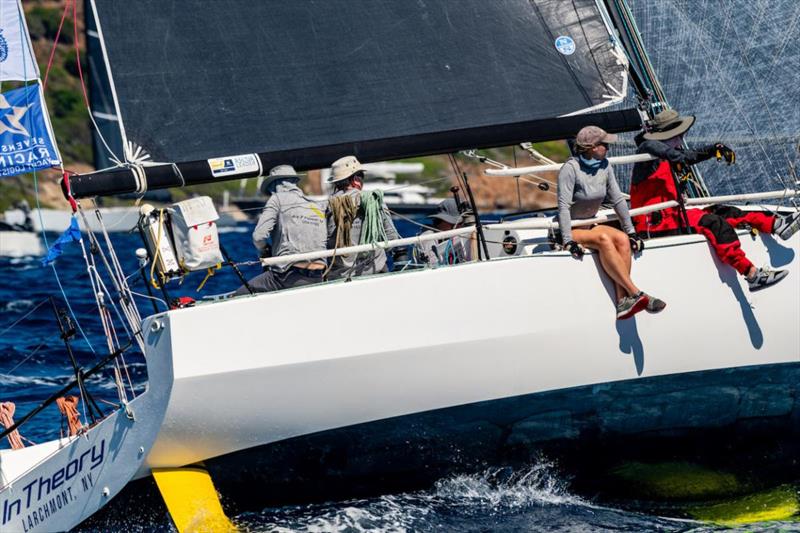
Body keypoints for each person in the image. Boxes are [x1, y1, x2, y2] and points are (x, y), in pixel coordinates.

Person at [630, 109, 800, 291]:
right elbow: (670, 153)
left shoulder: (668, 151)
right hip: (654, 224)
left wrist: (714, 149)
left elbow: (687, 155)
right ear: (662, 136)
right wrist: (682, 157)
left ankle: (775, 225)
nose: (680, 141)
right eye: (676, 136)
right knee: (713, 223)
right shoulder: (647, 150)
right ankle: (751, 274)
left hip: (674, 215)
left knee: (724, 211)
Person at [558, 125, 666, 320]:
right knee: (604, 239)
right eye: (604, 145)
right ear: (591, 147)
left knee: (623, 240)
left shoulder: (605, 165)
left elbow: (617, 199)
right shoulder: (570, 168)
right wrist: (567, 241)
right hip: (571, 228)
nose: (608, 148)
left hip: (591, 224)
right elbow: (563, 206)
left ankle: (622, 302)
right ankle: (636, 293)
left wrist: (631, 231)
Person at [233, 165, 327, 296]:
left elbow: (258, 236)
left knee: (239, 295)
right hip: (318, 275)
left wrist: (265, 250)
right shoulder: (314, 205)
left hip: (288, 276)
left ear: (276, 184)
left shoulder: (277, 199)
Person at [325, 155, 401, 279]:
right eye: (362, 177)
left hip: (340, 277)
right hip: (375, 273)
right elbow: (392, 238)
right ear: (355, 179)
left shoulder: (327, 207)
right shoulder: (374, 200)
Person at [415, 198, 471, 267]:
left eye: (461, 223)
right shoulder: (427, 238)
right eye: (457, 222)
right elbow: (433, 267)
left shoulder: (453, 235)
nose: (459, 226)